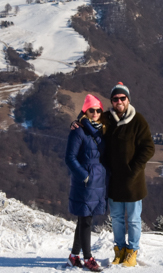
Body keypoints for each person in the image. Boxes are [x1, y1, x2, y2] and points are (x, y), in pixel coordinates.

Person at [103, 82, 155, 267]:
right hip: (114, 180)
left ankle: (132, 251)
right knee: (116, 218)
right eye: (115, 99)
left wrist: (134, 169)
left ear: (128, 100)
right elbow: (89, 121)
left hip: (133, 180)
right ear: (112, 101)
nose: (119, 101)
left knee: (133, 219)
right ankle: (120, 250)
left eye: (122, 98)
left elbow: (148, 148)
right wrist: (77, 122)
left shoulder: (138, 120)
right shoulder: (106, 119)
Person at [65, 94, 107, 271]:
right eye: (92, 110)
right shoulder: (79, 130)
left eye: (98, 110)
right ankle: (88, 257)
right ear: (85, 110)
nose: (95, 113)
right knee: (86, 220)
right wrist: (85, 175)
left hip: (98, 180)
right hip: (86, 182)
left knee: (83, 219)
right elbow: (70, 157)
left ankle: (74, 256)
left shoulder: (102, 129)